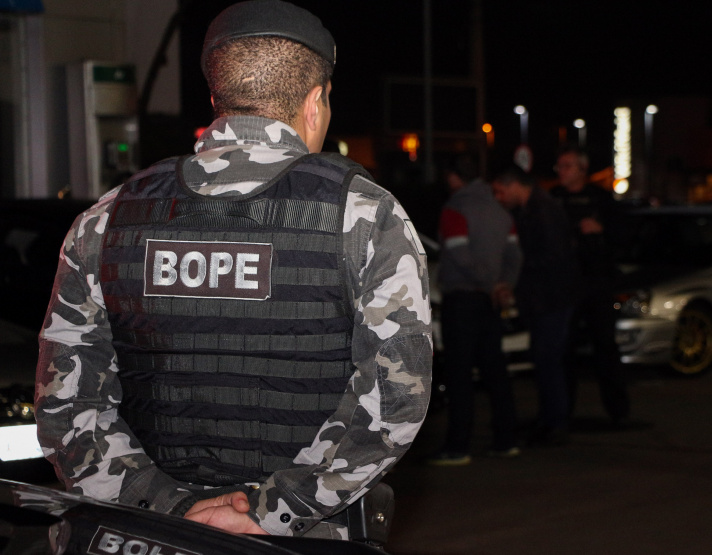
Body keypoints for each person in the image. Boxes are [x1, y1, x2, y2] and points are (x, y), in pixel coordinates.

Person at [34, 0, 432, 541]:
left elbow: (66, 406)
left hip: (141, 535)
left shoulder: (108, 219)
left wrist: (166, 508)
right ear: (315, 102)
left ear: (217, 97)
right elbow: (395, 401)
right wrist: (268, 511)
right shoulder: (366, 217)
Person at [429, 154, 523, 465]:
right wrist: (503, 284)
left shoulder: (456, 207)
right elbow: (514, 254)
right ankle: (506, 439)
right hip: (490, 303)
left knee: (459, 375)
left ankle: (458, 446)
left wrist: (489, 282)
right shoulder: (500, 208)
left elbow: (459, 255)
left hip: (464, 300)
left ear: (454, 177)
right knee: (495, 371)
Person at [493, 166, 578, 446]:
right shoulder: (535, 208)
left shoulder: (543, 210)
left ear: (514, 185)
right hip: (546, 297)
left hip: (551, 298)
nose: (499, 198)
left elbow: (553, 256)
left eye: (501, 191)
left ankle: (554, 421)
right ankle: (550, 418)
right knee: (545, 359)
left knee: (548, 359)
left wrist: (517, 271)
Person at [550, 147, 632, 427]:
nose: (561, 171)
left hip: (596, 282)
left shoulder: (601, 200)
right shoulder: (554, 200)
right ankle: (562, 410)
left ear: (582, 169)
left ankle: (618, 410)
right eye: (559, 166)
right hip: (565, 284)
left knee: (605, 347)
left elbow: (624, 236)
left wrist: (601, 232)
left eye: (567, 165)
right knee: (564, 349)